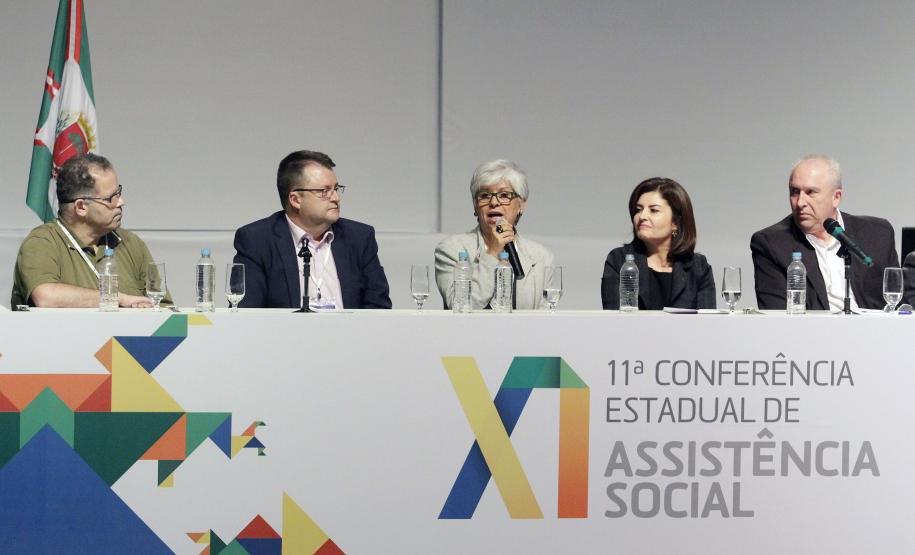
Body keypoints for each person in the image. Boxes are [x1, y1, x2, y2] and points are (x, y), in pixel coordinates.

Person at [233, 150, 391, 309]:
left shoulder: (359, 238)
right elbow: (247, 312)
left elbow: (379, 306)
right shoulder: (256, 241)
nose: (336, 198)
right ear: (295, 200)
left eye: (336, 189)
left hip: (349, 333)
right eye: (324, 191)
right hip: (285, 333)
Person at [11, 153, 164, 308]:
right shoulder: (42, 243)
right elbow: (45, 297)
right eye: (111, 198)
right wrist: (116, 299)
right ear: (81, 207)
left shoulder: (131, 244)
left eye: (119, 192)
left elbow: (162, 306)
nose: (121, 202)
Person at [751, 155, 897, 311]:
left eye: (811, 192)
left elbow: (897, 302)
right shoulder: (771, 244)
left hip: (874, 332)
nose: (800, 202)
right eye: (794, 192)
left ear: (836, 197)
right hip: (813, 333)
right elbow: (777, 316)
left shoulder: (878, 234)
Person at [434, 159, 554, 310]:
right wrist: (492, 252)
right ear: (475, 206)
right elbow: (460, 307)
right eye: (484, 195)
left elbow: (544, 320)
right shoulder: (451, 250)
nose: (493, 202)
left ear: (521, 205)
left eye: (504, 195)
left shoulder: (541, 257)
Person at [601, 177, 715, 310]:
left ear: (675, 223)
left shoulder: (698, 267)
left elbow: (708, 323)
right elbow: (612, 320)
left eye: (653, 210)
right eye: (638, 209)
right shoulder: (619, 260)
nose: (642, 216)